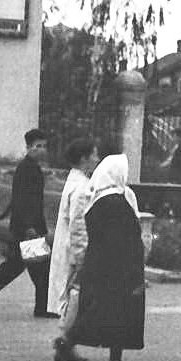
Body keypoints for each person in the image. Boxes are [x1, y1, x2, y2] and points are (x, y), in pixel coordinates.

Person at [54, 153, 146, 361]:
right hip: (120, 267)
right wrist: (136, 267)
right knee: (121, 313)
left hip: (99, 263)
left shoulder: (97, 199)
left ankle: (70, 342)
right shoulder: (117, 202)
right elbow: (127, 238)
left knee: (100, 311)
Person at [0, 128, 54, 318]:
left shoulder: (31, 167)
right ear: (28, 148)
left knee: (16, 266)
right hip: (28, 230)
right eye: (38, 146)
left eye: (44, 147)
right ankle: (41, 308)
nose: (42, 150)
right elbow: (22, 200)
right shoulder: (27, 169)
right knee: (39, 269)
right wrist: (30, 227)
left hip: (26, 227)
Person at [48, 137, 101, 320]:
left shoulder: (75, 181)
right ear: (84, 159)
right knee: (71, 303)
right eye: (94, 155)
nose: (97, 159)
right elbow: (78, 226)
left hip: (66, 249)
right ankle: (65, 344)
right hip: (73, 253)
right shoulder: (81, 189)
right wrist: (82, 258)